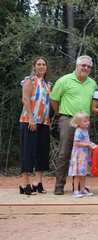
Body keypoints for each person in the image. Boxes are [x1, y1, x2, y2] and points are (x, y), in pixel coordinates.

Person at [50, 55, 97, 195]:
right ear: (77, 65)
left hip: (84, 122)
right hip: (68, 119)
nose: (86, 68)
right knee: (64, 152)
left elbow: (93, 103)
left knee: (82, 154)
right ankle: (59, 186)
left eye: (89, 67)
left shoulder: (92, 83)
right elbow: (54, 99)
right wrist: (60, 114)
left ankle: (77, 188)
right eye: (83, 65)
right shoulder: (64, 80)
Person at [19, 57, 51, 195]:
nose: (41, 66)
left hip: (44, 122)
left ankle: (37, 182)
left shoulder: (47, 84)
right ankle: (24, 184)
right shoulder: (29, 81)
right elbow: (25, 99)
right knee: (28, 151)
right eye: (38, 64)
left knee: (41, 152)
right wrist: (31, 118)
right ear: (34, 66)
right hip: (29, 120)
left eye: (43, 64)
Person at [68, 112, 95, 198]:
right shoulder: (78, 131)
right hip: (78, 156)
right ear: (78, 123)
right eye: (85, 121)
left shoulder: (85, 130)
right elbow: (76, 143)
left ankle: (82, 189)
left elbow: (86, 141)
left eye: (88, 120)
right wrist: (88, 145)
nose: (88, 122)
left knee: (83, 174)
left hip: (84, 156)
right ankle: (76, 191)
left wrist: (91, 144)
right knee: (77, 174)